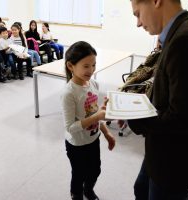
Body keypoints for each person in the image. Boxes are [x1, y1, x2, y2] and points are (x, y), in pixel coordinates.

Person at [127, 0, 188, 199]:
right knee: (141, 189)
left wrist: (132, 115)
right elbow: (172, 95)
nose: (138, 23)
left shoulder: (187, 39)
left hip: (175, 161)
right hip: (164, 151)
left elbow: (182, 120)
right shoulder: (181, 33)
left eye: (138, 13)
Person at [61, 41, 115, 200]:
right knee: (78, 174)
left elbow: (94, 113)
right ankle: (76, 194)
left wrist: (106, 132)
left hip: (93, 138)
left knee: (95, 170)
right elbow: (70, 127)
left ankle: (88, 190)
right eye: (86, 66)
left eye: (93, 65)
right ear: (71, 66)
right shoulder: (68, 93)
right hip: (76, 145)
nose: (91, 70)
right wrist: (98, 116)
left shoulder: (93, 84)